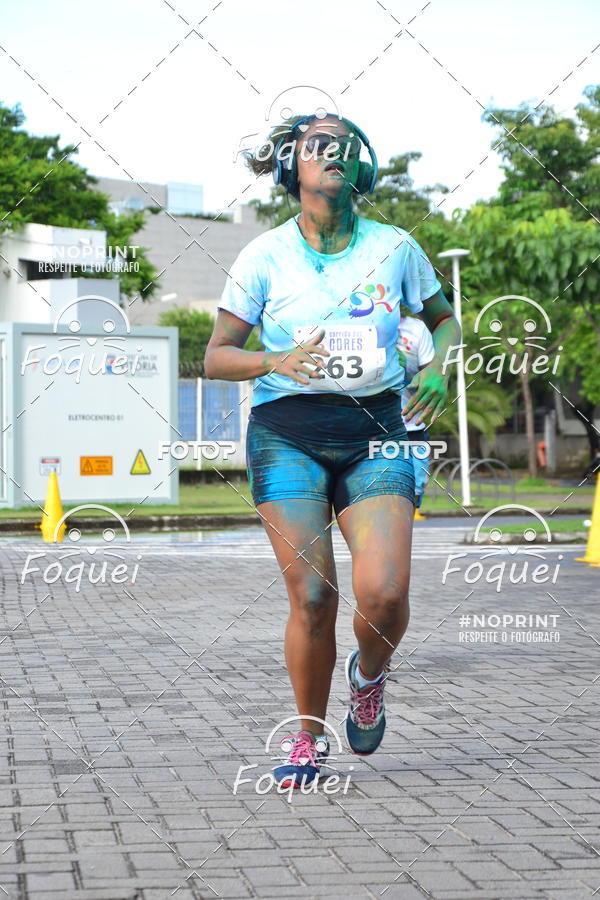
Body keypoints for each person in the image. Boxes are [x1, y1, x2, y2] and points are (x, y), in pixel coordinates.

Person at [204, 112, 461, 788]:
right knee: (314, 595)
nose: (334, 155)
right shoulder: (264, 256)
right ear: (293, 166)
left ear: (362, 166)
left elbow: (443, 318)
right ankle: (308, 740)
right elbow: (216, 357)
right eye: (318, 146)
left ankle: (368, 676)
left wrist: (438, 364)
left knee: (385, 594)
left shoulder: (395, 246)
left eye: (347, 146)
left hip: (376, 430)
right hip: (286, 433)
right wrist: (275, 358)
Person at [398, 315, 437, 514]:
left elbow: (431, 375)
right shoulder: (355, 325)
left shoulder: (417, 329)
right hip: (371, 431)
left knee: (413, 492)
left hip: (412, 429)